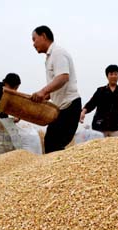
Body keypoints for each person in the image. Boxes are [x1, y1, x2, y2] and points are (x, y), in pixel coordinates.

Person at [30, 25, 81, 153]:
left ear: (44, 36)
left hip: (69, 107)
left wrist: (43, 91)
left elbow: (63, 77)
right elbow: (56, 86)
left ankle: (60, 172)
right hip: (60, 109)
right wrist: (44, 96)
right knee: (50, 142)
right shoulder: (49, 58)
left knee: (54, 143)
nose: (33, 44)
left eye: (34, 39)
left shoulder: (58, 53)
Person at [79, 64, 118, 137]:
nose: (113, 76)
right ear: (107, 76)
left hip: (117, 127)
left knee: (117, 148)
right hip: (99, 126)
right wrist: (83, 112)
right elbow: (91, 103)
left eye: (115, 74)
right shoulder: (100, 90)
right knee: (98, 147)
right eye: (111, 74)